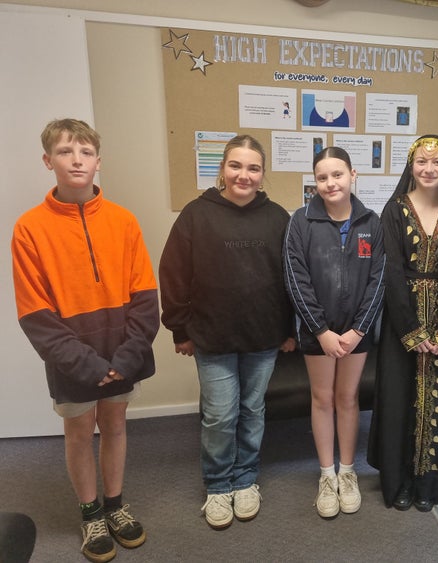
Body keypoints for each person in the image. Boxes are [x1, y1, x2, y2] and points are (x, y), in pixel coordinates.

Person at [11, 118, 159, 562]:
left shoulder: (123, 221)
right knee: (78, 432)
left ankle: (114, 505)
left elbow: (145, 297)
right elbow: (34, 314)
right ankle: (90, 512)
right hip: (72, 358)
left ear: (98, 161)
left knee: (115, 425)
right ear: (47, 161)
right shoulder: (29, 228)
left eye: (86, 152)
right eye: (65, 151)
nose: (77, 160)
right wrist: (90, 365)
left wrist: (125, 359)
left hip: (123, 351)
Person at [159, 135, 295, 530]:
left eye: (253, 168)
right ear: (222, 168)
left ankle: (246, 479)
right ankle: (218, 485)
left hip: (263, 337)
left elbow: (292, 279)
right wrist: (179, 329)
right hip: (212, 337)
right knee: (220, 415)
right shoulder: (196, 215)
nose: (243, 175)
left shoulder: (277, 218)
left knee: (252, 411)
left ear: (263, 173)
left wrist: (289, 330)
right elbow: (173, 275)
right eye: (236, 165)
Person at [283, 147, 385, 518]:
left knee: (348, 398)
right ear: (315, 182)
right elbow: (295, 278)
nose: (330, 183)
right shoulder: (300, 221)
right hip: (318, 333)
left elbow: (379, 280)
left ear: (353, 175)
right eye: (322, 177)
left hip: (357, 332)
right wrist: (321, 331)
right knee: (323, 398)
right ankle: (327, 474)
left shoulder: (371, 222)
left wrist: (358, 330)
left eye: (337, 174)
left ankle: (347, 471)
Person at [367, 135, 438, 513]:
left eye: (437, 162)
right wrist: (411, 329)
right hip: (402, 321)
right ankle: (401, 482)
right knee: (400, 400)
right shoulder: (394, 210)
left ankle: (430, 482)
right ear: (411, 166)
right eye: (422, 162)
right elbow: (390, 272)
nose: (429, 169)